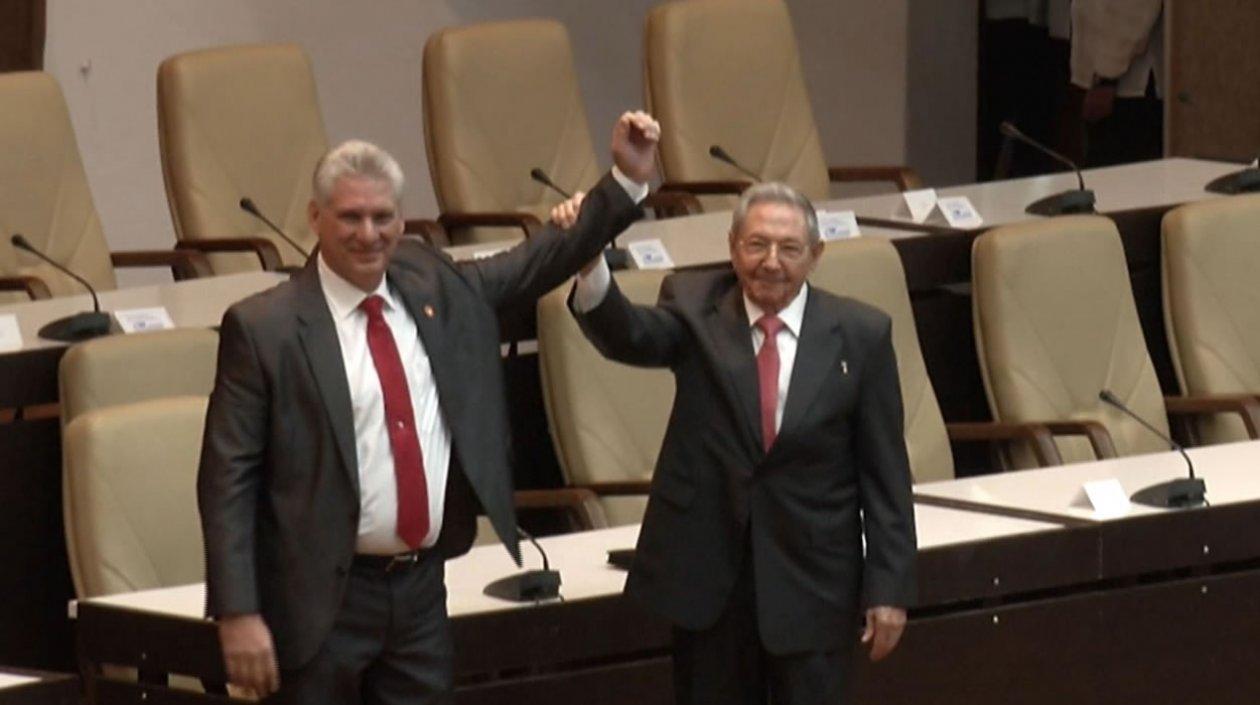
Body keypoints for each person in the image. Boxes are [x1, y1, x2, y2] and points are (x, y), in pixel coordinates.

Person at [197, 111, 660, 704]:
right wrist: (236, 611)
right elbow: (226, 480)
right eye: (350, 217)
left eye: (383, 217)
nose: (369, 233)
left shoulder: (430, 282)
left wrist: (623, 180)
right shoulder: (266, 328)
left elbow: (534, 262)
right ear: (315, 218)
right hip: (316, 603)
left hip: (417, 595)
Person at [556, 182, 917, 705]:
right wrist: (589, 262)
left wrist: (889, 590)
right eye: (757, 245)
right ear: (732, 247)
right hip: (711, 585)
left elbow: (885, 474)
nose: (771, 262)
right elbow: (627, 335)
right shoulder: (694, 307)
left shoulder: (861, 334)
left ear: (815, 256)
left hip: (813, 583)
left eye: (789, 248)